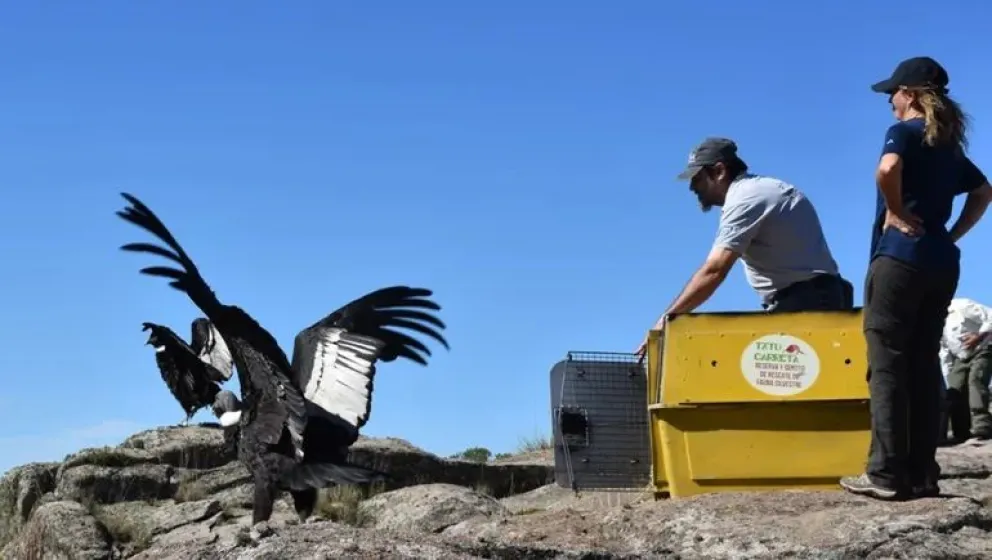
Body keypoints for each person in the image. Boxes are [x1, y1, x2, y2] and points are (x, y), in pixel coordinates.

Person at [839, 56, 992, 501]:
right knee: (925, 365)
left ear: (909, 94)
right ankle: (923, 473)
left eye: (893, 92)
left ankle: (885, 474)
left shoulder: (904, 131)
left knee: (888, 364)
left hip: (899, 259)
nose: (890, 100)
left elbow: (887, 169)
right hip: (942, 262)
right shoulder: (949, 146)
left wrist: (897, 211)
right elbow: (984, 191)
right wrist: (951, 234)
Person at [635, 137, 852, 360]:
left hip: (806, 303)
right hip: (814, 297)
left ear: (719, 171)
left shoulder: (745, 198)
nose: (692, 187)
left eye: (697, 179)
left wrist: (666, 320)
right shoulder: (760, 188)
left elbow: (715, 270)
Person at [940, 297, 992, 444]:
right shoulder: (938, 322)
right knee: (955, 390)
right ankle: (961, 431)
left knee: (975, 380)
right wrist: (949, 376)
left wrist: (979, 336)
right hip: (961, 356)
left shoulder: (962, 306)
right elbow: (945, 353)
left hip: (983, 347)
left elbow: (991, 316)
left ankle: (982, 427)